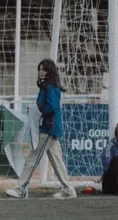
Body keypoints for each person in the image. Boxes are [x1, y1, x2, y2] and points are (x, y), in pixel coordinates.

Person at [5, 59, 75, 199]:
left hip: (48, 127)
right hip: (50, 127)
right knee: (55, 159)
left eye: (44, 69)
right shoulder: (49, 86)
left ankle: (21, 189)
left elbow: (52, 107)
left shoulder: (50, 86)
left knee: (33, 157)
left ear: (50, 71)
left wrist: (38, 110)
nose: (41, 72)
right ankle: (68, 189)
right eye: (40, 69)